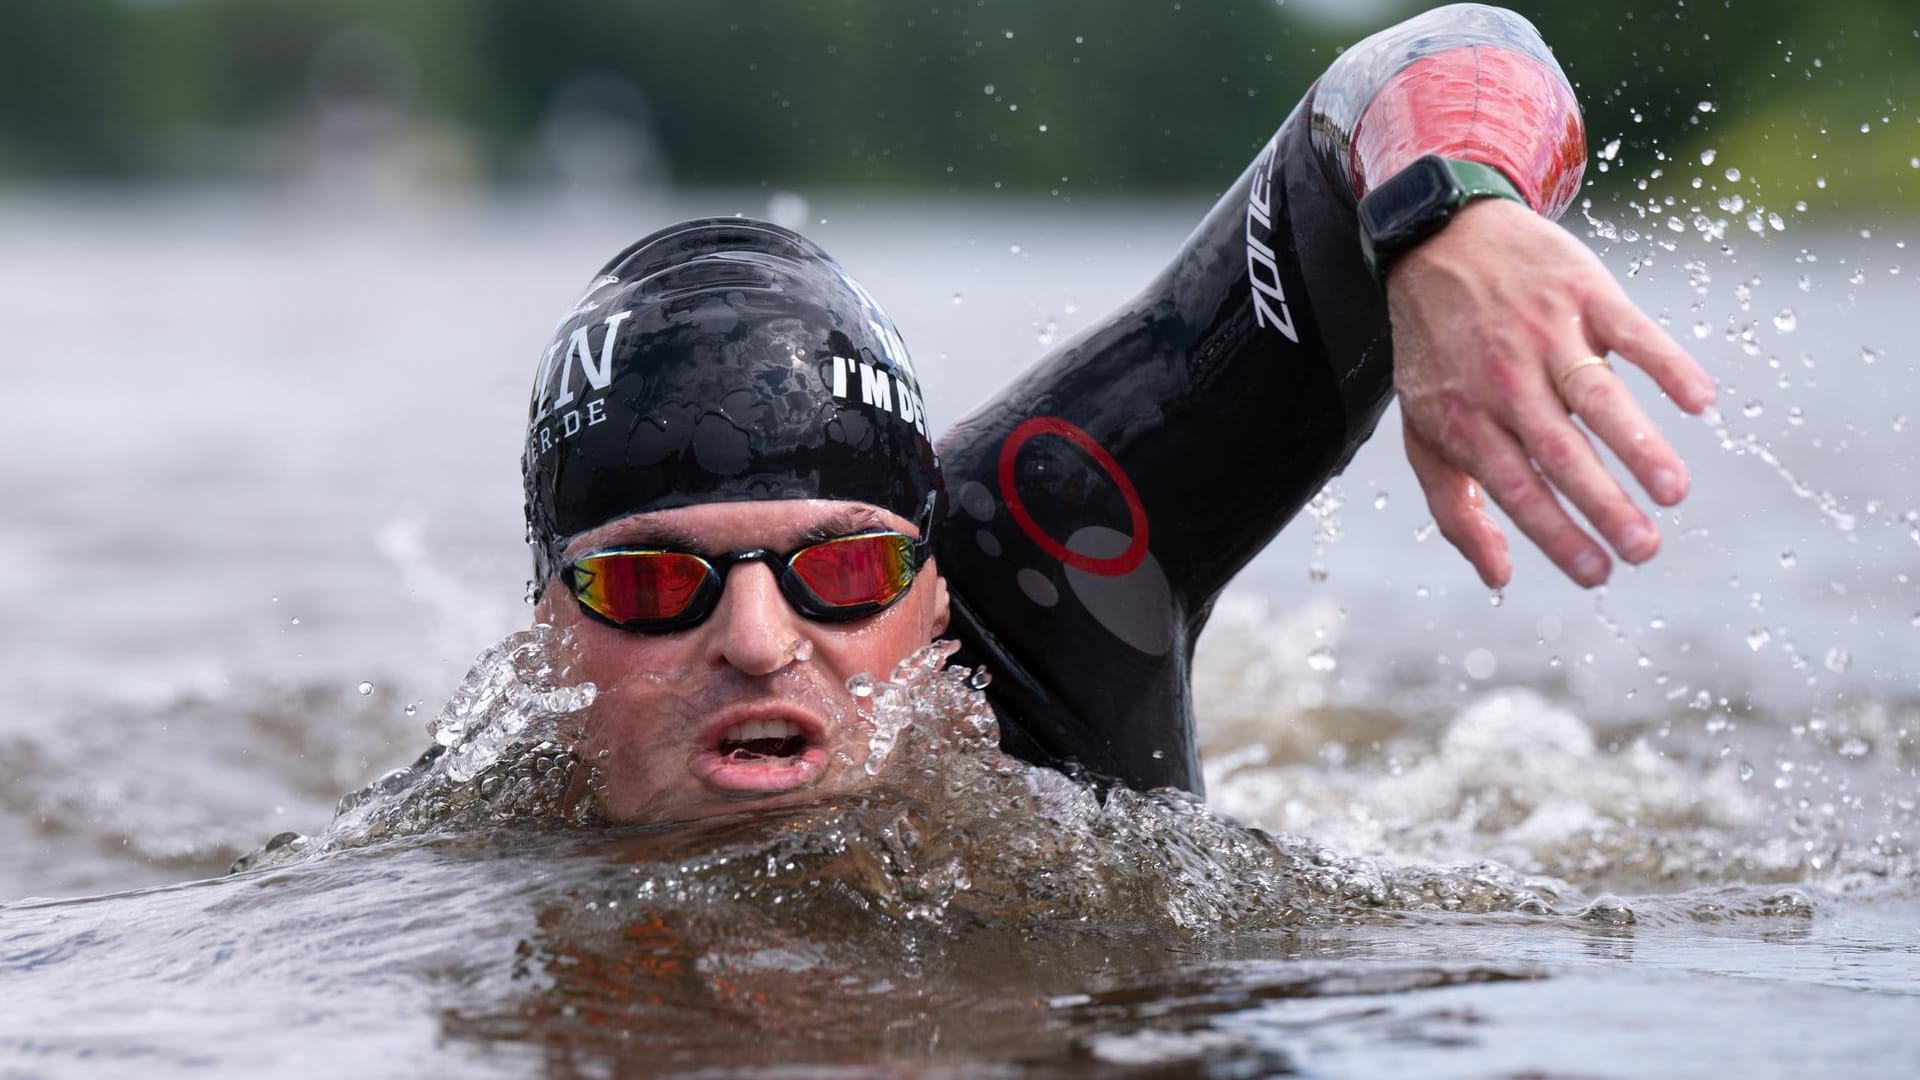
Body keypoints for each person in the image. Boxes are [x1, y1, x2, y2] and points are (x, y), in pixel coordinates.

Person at [522, 3, 1716, 823]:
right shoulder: (439, 865)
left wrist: (1449, 215)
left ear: (935, 593)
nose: (758, 641)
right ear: (545, 637)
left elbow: (1452, 48)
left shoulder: (1046, 549)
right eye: (650, 586)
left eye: (842, 569)